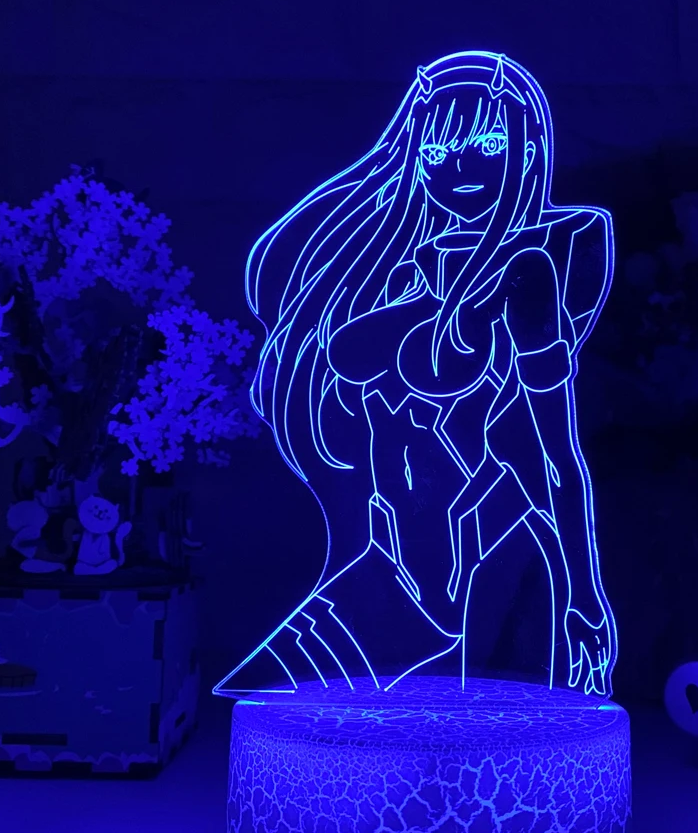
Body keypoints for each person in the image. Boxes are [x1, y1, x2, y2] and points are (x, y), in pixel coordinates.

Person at [216, 51, 618, 697]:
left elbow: (554, 454)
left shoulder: (532, 269)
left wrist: (584, 592)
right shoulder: (407, 268)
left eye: (487, 145)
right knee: (293, 710)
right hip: (393, 564)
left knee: (484, 723)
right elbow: (351, 359)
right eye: (436, 153)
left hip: (477, 546)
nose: (460, 169)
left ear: (528, 148)